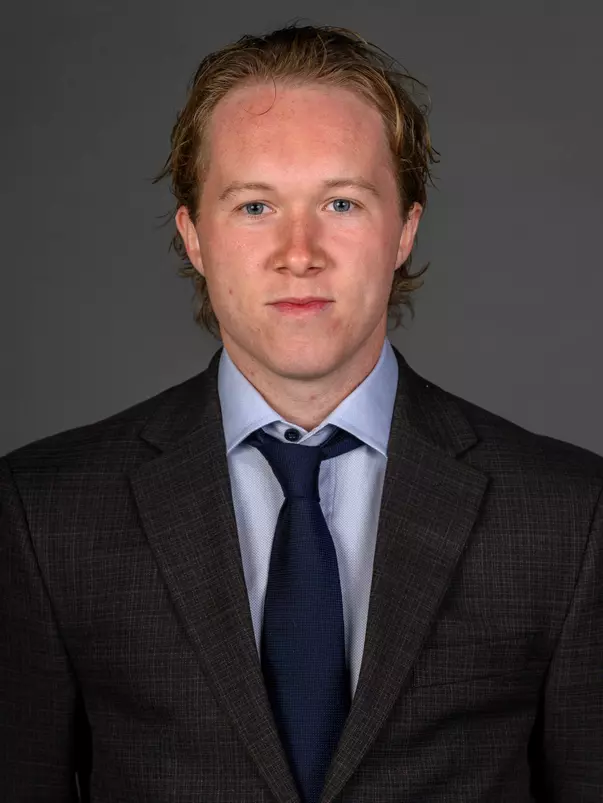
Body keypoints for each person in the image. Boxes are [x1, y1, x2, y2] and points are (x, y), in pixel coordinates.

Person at [1, 22, 601, 803]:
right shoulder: (44, 513)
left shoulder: (568, 514)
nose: (298, 252)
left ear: (403, 230)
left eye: (341, 202)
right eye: (255, 205)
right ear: (194, 236)